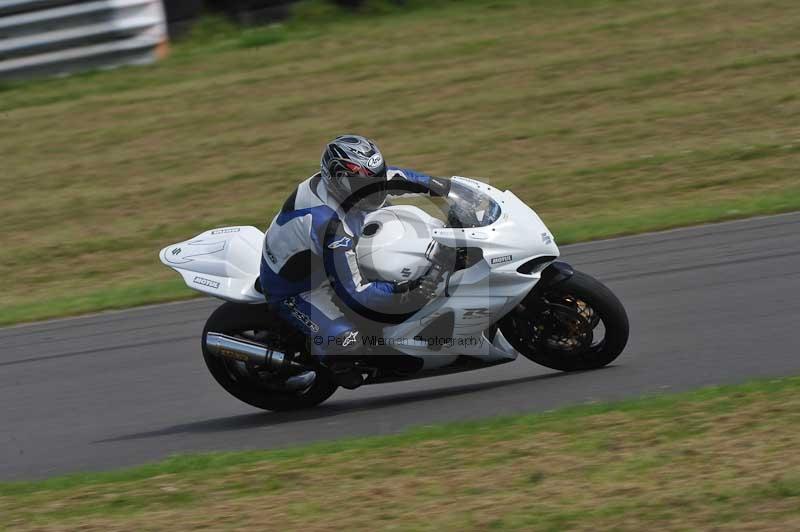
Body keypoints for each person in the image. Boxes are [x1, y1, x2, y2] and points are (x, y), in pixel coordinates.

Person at [260, 135, 450, 388]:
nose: (376, 188)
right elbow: (357, 292)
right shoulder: (328, 224)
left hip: (322, 259)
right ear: (338, 182)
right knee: (347, 342)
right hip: (299, 288)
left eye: (375, 178)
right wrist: (407, 291)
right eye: (363, 183)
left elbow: (397, 177)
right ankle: (334, 364)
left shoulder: (356, 184)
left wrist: (445, 188)